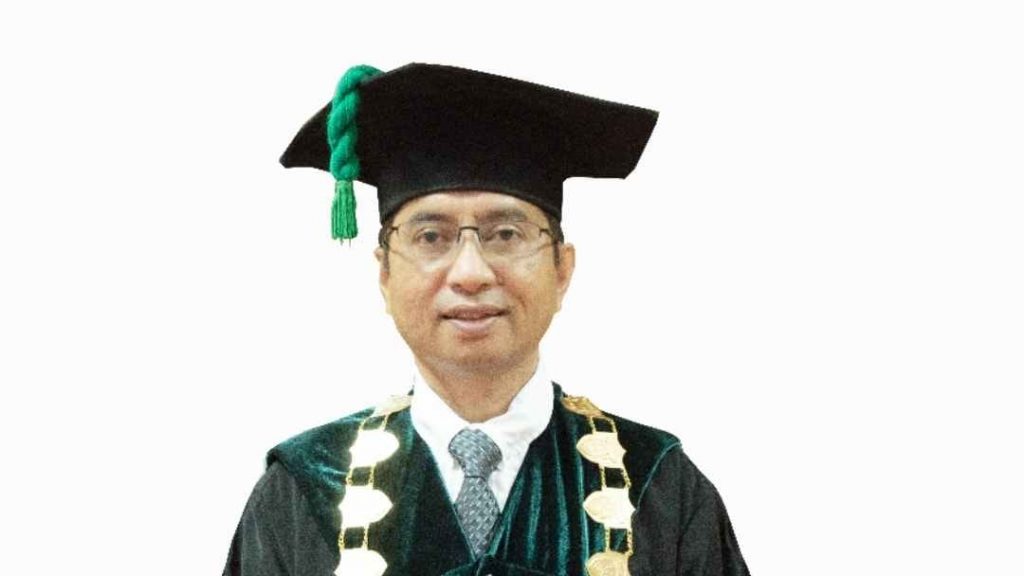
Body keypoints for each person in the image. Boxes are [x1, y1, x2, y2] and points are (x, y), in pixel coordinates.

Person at [223, 63, 749, 576]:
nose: (471, 273)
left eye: (506, 234)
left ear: (562, 270)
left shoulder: (660, 489)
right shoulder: (301, 495)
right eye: (431, 237)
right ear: (384, 273)